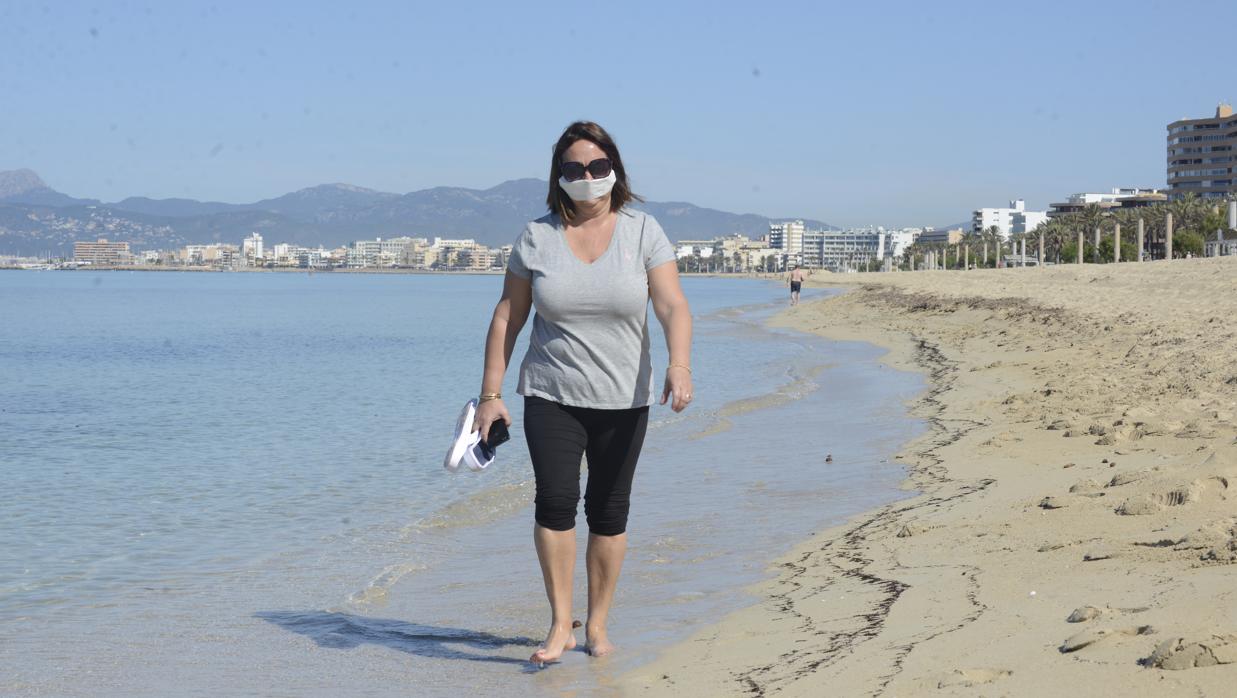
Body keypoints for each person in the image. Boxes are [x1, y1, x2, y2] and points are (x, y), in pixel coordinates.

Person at [473, 121, 693, 665]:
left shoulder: (644, 231)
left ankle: (596, 625)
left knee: (609, 511)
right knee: (554, 504)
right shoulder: (536, 236)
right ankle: (558, 626)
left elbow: (671, 304)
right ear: (559, 177)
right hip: (551, 392)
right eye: (573, 169)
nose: (586, 178)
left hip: (625, 397)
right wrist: (490, 394)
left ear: (614, 171)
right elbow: (509, 315)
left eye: (596, 167)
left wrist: (679, 365)